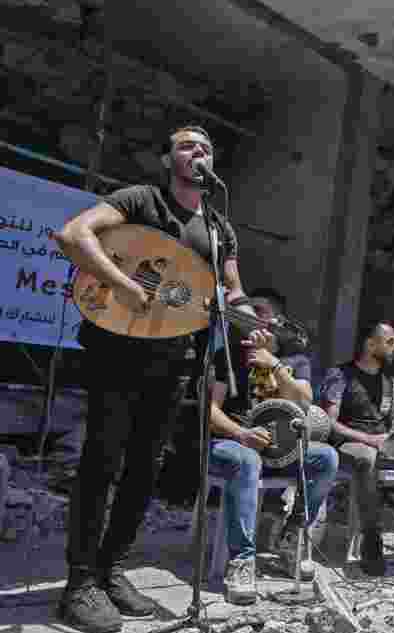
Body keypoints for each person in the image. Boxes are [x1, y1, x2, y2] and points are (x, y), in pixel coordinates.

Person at [54, 126, 255, 633]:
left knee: (145, 468)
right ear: (168, 159)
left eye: (207, 146)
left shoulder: (218, 228)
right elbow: (75, 234)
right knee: (102, 461)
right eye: (188, 145)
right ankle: (79, 583)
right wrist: (125, 285)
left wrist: (253, 319)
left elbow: (233, 293)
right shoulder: (141, 200)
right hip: (116, 350)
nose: (199, 152)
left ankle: (111, 569)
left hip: (176, 358)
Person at [206, 307, 339, 604]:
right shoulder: (225, 357)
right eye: (251, 317)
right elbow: (210, 412)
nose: (258, 322)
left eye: (265, 318)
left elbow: (305, 402)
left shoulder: (295, 361)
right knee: (247, 459)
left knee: (327, 457)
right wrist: (241, 434)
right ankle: (242, 561)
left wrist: (273, 365)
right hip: (233, 441)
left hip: (281, 448)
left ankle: (291, 536)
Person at [317, 321, 394, 576]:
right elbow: (329, 422)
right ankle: (371, 540)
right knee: (367, 458)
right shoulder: (340, 375)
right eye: (390, 342)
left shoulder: (389, 381)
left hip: (384, 443)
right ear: (371, 344)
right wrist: (367, 439)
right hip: (348, 444)